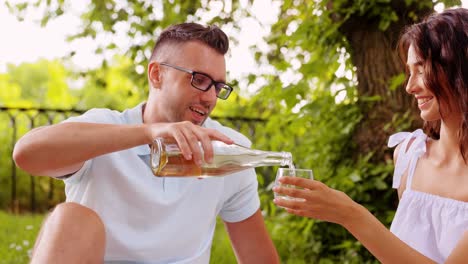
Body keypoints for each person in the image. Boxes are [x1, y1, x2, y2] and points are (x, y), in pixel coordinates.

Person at [13, 22, 280, 264]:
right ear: (156, 75)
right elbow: (27, 154)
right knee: (71, 218)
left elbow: (259, 258)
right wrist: (150, 132)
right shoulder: (105, 127)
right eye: (199, 80)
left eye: (218, 87)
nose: (210, 98)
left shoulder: (227, 148)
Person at [273, 7, 468, 264]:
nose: (410, 87)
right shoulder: (409, 155)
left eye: (421, 70)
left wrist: (350, 214)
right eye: (409, 72)